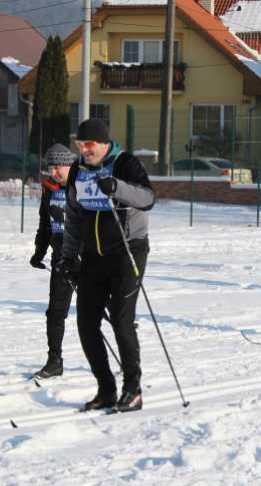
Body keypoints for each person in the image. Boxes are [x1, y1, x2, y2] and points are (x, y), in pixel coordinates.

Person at [59, 119, 155, 412]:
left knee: (122, 320)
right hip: (92, 256)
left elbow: (148, 198)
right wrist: (68, 254)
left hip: (127, 252)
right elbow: (74, 215)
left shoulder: (125, 163)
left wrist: (117, 187)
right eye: (80, 145)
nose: (85, 150)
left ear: (103, 143)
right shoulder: (78, 170)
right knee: (86, 323)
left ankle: (133, 390)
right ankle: (106, 390)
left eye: (89, 145)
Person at [30, 144, 77, 379]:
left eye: (57, 167)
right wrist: (39, 252)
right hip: (60, 258)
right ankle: (54, 360)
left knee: (99, 310)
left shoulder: (83, 187)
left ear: (69, 166)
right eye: (50, 168)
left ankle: (123, 355)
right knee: (55, 312)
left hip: (85, 258)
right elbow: (45, 223)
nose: (53, 173)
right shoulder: (49, 189)